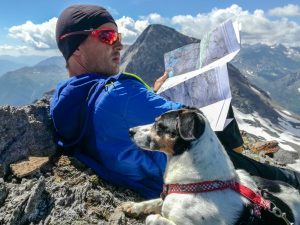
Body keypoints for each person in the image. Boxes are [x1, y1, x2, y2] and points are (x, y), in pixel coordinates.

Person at [50, 4, 300, 199]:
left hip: (150, 176)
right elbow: (193, 123)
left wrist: (153, 94)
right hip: (200, 175)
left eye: (118, 36)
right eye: (107, 36)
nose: (120, 45)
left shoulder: (66, 98)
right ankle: (246, 157)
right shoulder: (118, 93)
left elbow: (119, 116)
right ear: (76, 47)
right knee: (287, 179)